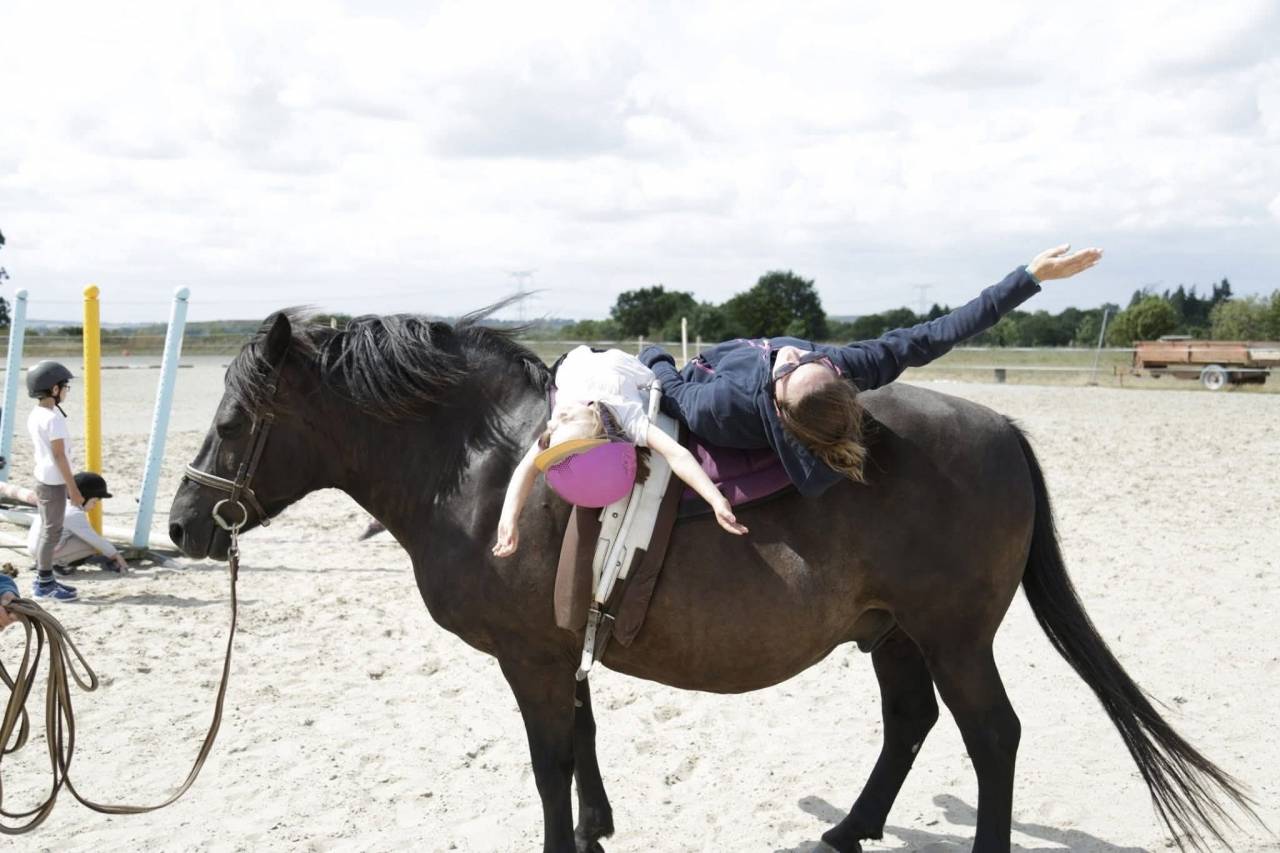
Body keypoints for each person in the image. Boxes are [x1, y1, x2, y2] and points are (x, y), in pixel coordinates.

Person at [639, 244, 1104, 496]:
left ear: (779, 409)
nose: (791, 354)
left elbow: (673, 388)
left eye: (793, 365)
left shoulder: (722, 406)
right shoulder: (840, 367)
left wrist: (653, 354)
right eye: (808, 359)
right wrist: (1029, 277)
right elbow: (934, 335)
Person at [492, 346, 748, 558]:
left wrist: (716, 500)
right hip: (575, 359)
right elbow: (526, 469)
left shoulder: (628, 415)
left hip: (627, 365)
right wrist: (508, 519)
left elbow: (678, 455)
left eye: (560, 420)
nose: (554, 420)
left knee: (668, 388)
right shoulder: (560, 422)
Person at [26, 360, 86, 602]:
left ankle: (46, 578)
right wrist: (74, 489)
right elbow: (60, 456)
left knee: (49, 531)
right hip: (53, 481)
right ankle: (44, 583)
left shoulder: (36, 414)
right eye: (65, 387)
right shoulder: (53, 419)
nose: (66, 391)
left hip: (43, 477)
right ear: (54, 389)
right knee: (51, 533)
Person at [27, 472, 129, 574]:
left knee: (80, 538)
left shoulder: (58, 501)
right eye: (94, 502)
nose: (94, 506)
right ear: (84, 497)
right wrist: (116, 555)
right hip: (44, 552)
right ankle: (56, 564)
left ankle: (45, 562)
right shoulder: (73, 512)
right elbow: (95, 540)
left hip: (34, 548)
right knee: (90, 544)